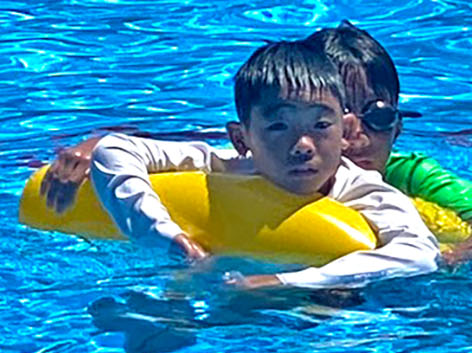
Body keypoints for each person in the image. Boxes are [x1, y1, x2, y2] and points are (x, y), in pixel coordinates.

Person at [54, 40, 440, 291]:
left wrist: (283, 282)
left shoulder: (367, 193)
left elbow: (420, 255)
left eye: (321, 126)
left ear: (347, 131)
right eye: (278, 127)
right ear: (242, 139)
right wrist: (163, 236)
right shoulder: (227, 164)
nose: (303, 146)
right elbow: (114, 150)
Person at [303, 22, 472, 264]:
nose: (358, 135)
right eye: (335, 118)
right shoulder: (280, 168)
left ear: (397, 128)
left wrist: (453, 256)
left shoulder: (409, 174)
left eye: (379, 117)